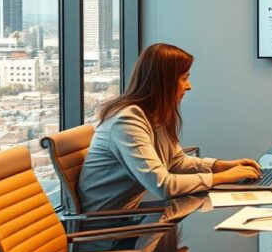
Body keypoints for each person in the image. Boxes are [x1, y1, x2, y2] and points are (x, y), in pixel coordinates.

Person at [79, 43, 262, 213]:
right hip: (108, 230)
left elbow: (176, 162)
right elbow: (163, 185)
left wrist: (221, 166)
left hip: (129, 217)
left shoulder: (153, 114)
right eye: (184, 78)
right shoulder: (127, 121)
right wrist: (222, 178)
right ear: (162, 82)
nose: (188, 86)